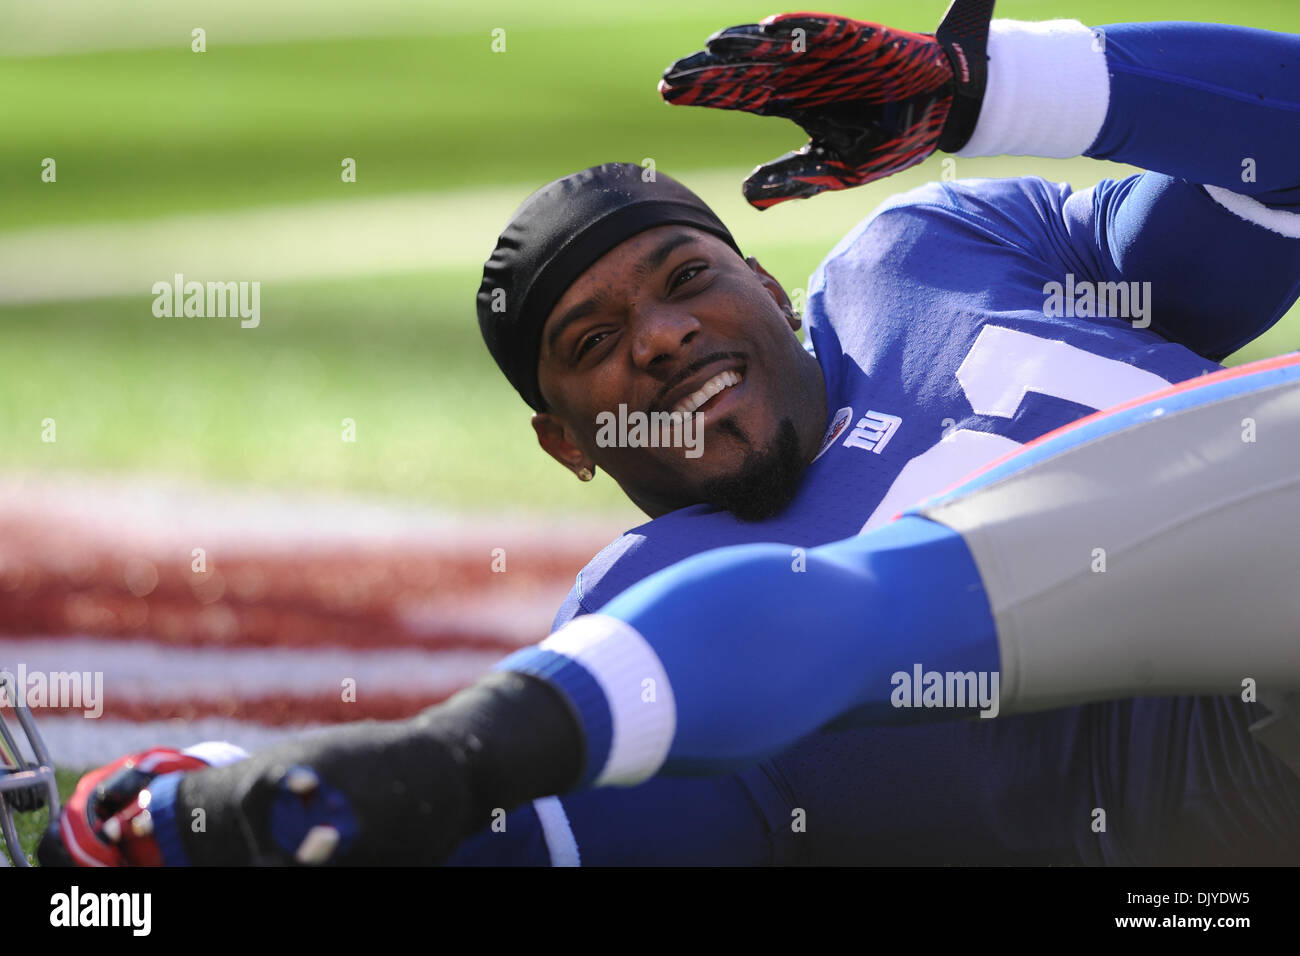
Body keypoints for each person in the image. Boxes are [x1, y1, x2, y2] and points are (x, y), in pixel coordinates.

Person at [37, 3, 1300, 866]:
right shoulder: (653, 615)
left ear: (765, 279)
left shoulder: (941, 250)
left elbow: (1284, 140)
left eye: (685, 277)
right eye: (591, 344)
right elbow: (488, 838)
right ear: (568, 446)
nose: (656, 336)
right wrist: (198, 808)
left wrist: (991, 85)